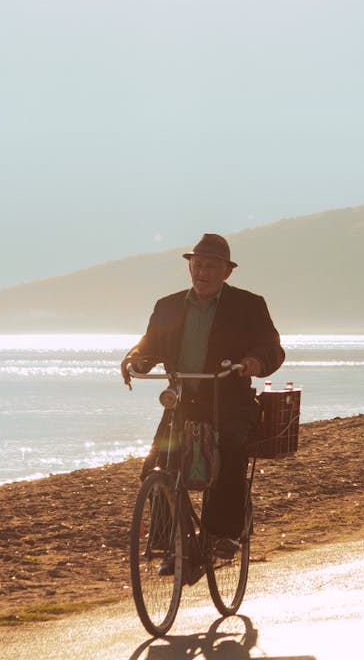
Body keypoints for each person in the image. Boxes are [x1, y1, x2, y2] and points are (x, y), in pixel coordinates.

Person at [120, 233, 284, 556]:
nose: (202, 272)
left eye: (211, 266)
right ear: (190, 267)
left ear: (227, 272)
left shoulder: (249, 306)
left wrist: (254, 362)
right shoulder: (167, 307)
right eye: (197, 265)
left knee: (229, 454)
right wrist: (136, 359)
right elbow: (149, 345)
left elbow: (273, 349)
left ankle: (223, 534)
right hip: (182, 404)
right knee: (156, 464)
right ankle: (171, 542)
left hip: (229, 402)